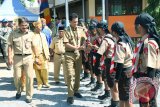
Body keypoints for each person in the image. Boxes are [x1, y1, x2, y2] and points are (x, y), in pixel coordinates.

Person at [133, 13, 160, 107]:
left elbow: (151, 67)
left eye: (135, 25)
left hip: (147, 79)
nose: (135, 28)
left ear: (139, 26)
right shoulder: (145, 41)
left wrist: (147, 86)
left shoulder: (148, 43)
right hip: (146, 78)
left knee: (147, 103)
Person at [7, 17, 36, 103]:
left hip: (28, 58)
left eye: (26, 25)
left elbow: (34, 46)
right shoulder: (13, 33)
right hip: (17, 58)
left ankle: (29, 95)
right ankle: (19, 90)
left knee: (30, 77)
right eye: (22, 25)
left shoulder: (31, 34)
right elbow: (9, 46)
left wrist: (37, 57)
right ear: (19, 25)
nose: (24, 27)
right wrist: (9, 57)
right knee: (17, 77)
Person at [63, 13, 86, 104]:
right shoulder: (66, 30)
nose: (76, 23)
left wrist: (83, 46)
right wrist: (76, 47)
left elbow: (85, 40)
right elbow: (66, 44)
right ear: (70, 22)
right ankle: (70, 95)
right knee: (70, 75)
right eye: (74, 22)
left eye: (77, 22)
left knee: (77, 74)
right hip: (69, 55)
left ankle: (76, 91)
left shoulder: (81, 30)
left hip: (78, 55)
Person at [111, 21, 134, 107]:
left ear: (114, 32)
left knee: (126, 98)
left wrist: (116, 80)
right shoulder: (127, 39)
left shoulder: (120, 44)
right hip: (129, 69)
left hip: (124, 72)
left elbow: (120, 64)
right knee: (124, 97)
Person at [32, 20, 50, 90]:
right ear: (36, 27)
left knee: (45, 69)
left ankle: (45, 82)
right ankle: (39, 83)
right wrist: (34, 57)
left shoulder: (43, 35)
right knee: (37, 70)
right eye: (40, 27)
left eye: (41, 27)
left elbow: (46, 45)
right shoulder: (32, 35)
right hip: (36, 55)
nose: (41, 28)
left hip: (44, 54)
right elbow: (32, 47)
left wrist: (48, 54)